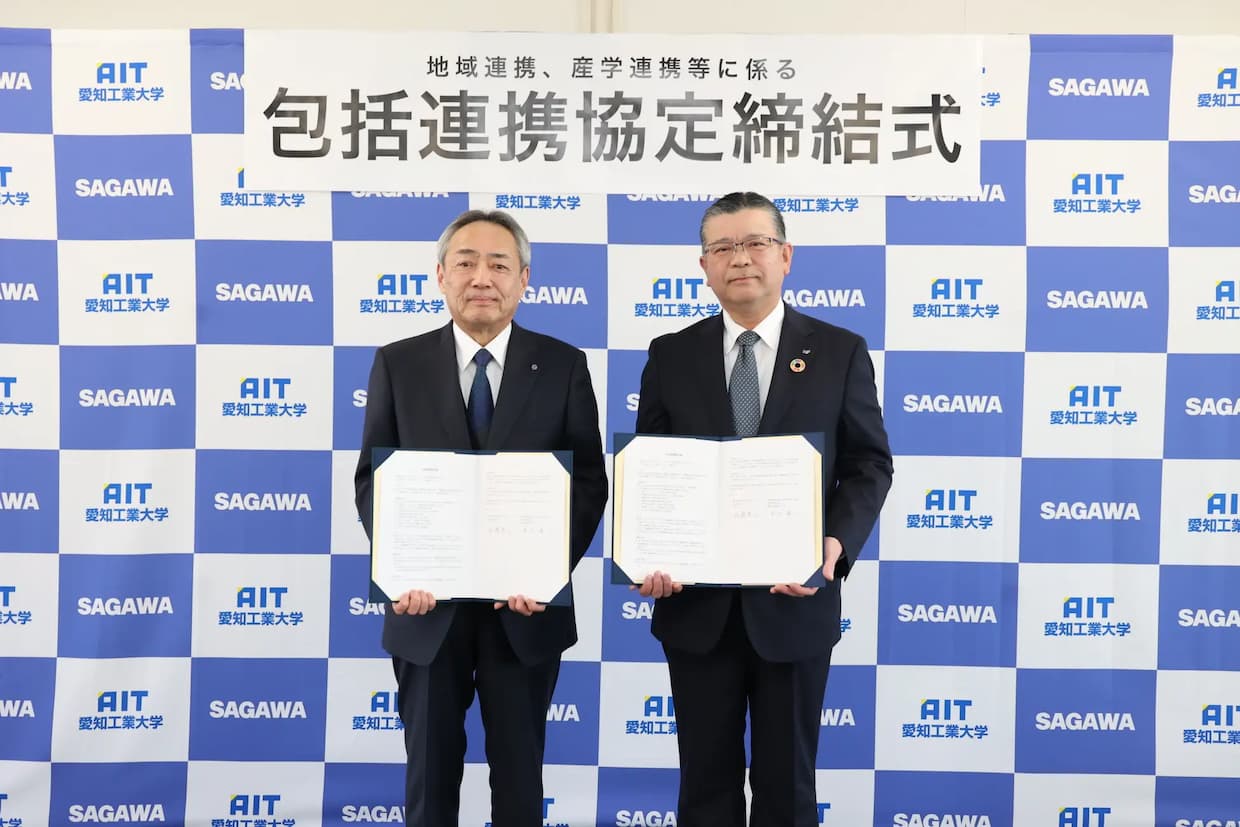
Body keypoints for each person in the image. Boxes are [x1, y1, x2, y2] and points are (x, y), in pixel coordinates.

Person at [634, 191, 893, 827]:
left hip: (794, 602)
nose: (740, 258)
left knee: (787, 788)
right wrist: (650, 552)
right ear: (704, 265)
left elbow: (869, 463)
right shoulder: (670, 354)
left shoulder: (840, 351)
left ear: (785, 256)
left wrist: (835, 545)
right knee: (704, 786)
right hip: (696, 608)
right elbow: (652, 471)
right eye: (723, 247)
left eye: (755, 243)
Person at [354, 210, 608, 827]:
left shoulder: (564, 364)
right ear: (441, 275)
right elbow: (373, 479)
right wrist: (402, 568)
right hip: (426, 611)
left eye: (499, 264)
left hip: (526, 611)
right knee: (429, 778)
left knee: (519, 780)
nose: (482, 278)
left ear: (524, 279)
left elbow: (587, 484)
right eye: (465, 263)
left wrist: (544, 572)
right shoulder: (398, 363)